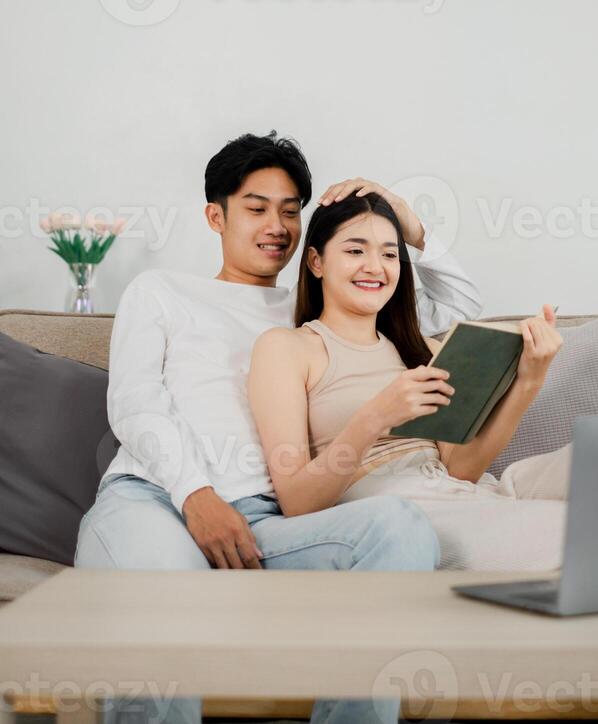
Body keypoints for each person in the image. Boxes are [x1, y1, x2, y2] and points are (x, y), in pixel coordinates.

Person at [75, 130, 483, 724]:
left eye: (291, 211)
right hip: (156, 499)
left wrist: (404, 217)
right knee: (168, 611)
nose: (278, 226)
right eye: (257, 208)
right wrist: (197, 495)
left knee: (400, 527)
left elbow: (465, 311)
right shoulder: (162, 291)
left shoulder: (318, 308)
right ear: (216, 216)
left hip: (266, 520)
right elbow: (136, 403)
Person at [248, 188, 572, 574]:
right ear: (316, 262)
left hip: (464, 490)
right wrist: (376, 416)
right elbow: (297, 502)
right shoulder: (287, 348)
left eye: (389, 254)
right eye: (355, 251)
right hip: (400, 508)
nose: (375, 266)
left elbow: (461, 469)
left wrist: (528, 381)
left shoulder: (422, 349)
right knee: (580, 532)